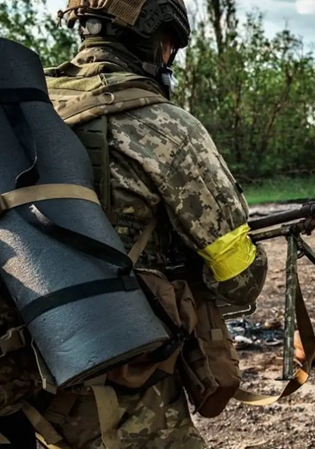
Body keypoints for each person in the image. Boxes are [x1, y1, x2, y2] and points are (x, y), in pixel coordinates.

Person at [8, 0, 272, 447]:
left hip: (17, 368)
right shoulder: (167, 127)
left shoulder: (22, 107)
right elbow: (240, 280)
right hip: (111, 374)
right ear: (161, 42)